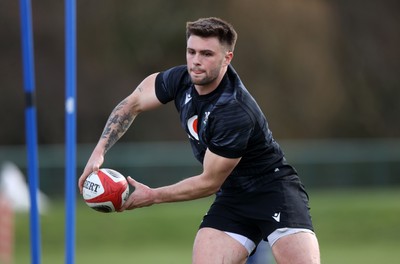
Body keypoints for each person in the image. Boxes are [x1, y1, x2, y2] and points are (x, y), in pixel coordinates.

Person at [78, 17, 320, 264]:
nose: (195, 61)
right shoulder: (180, 80)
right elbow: (133, 103)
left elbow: (208, 182)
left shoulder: (233, 110)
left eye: (206, 54)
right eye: (191, 51)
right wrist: (99, 152)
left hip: (274, 190)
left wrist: (152, 196)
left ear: (227, 58)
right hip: (234, 196)